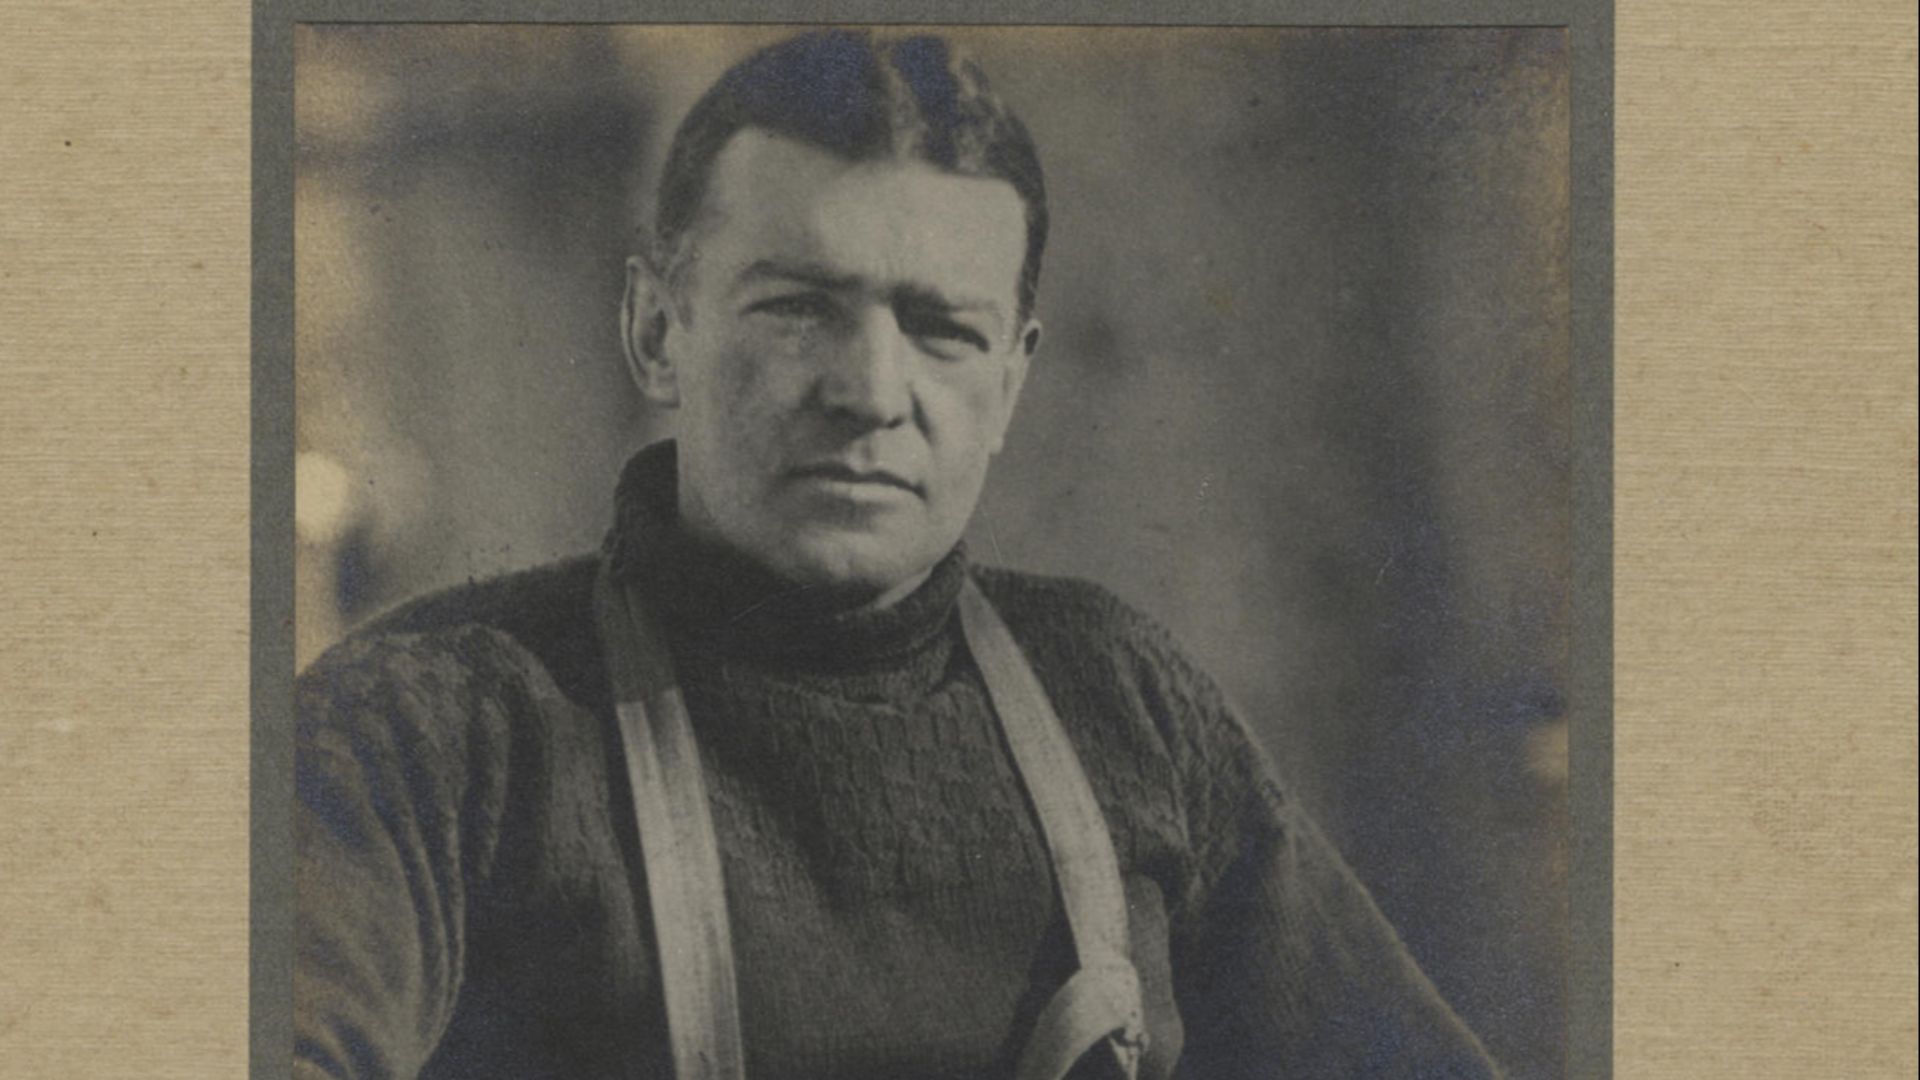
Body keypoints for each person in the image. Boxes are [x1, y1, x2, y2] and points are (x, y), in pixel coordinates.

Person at [294, 29, 1503, 1080]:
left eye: (942, 330)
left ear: (1011, 380)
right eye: (797, 308)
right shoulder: (436, 730)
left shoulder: (1125, 705)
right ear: (657, 330)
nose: (871, 391)